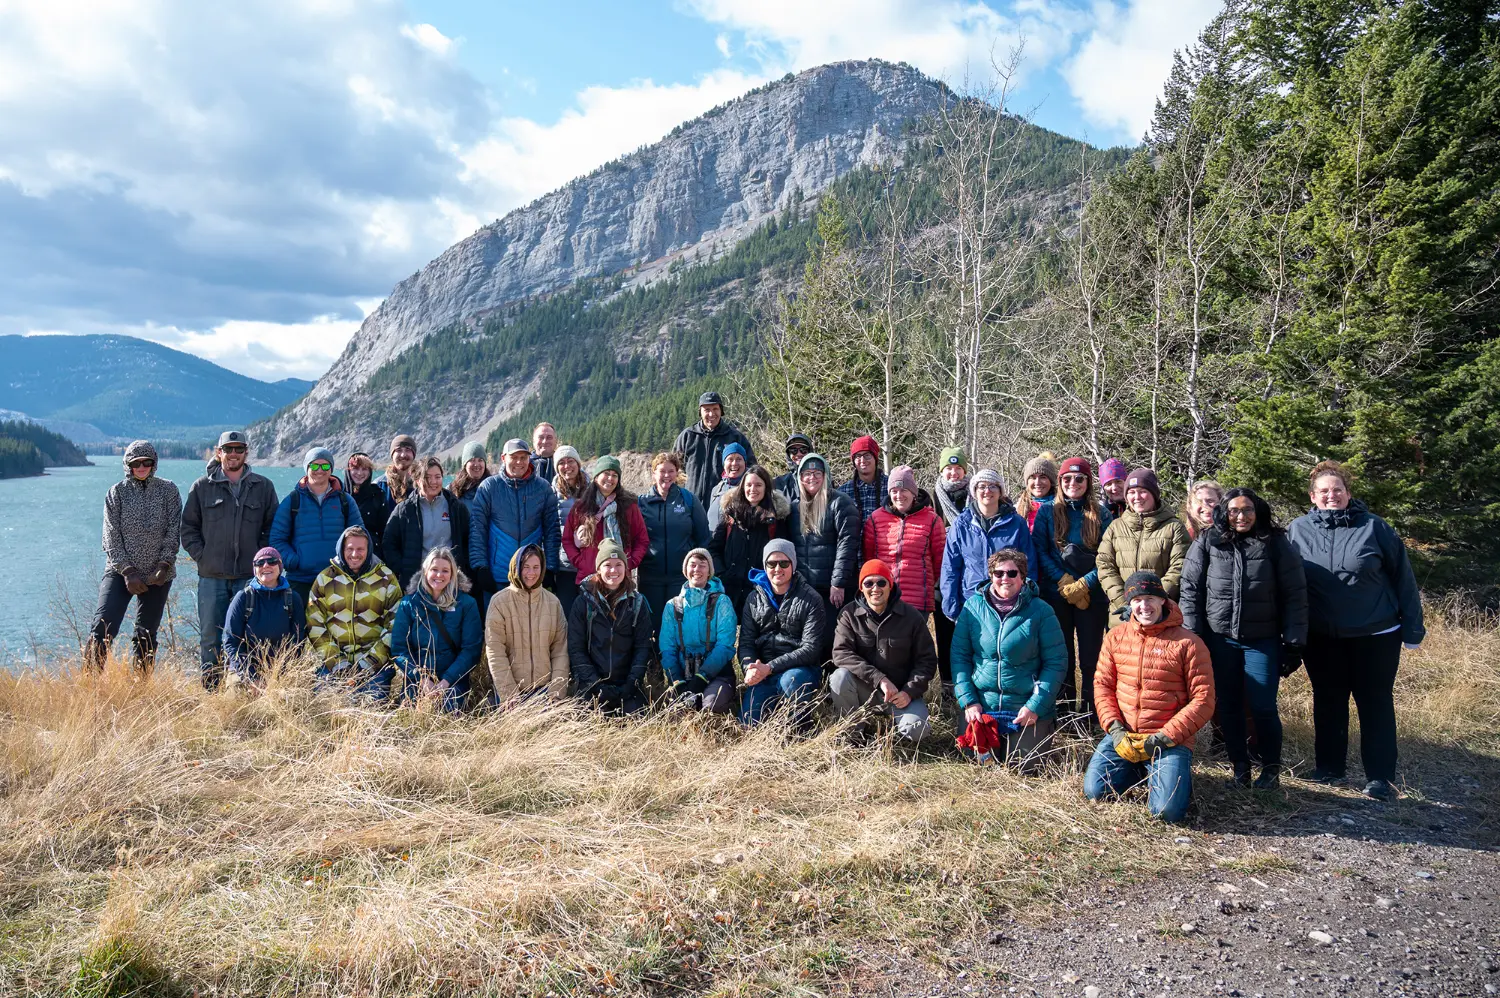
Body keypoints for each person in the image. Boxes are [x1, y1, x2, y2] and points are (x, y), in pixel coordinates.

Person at [1287, 461, 1425, 801]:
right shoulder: (1297, 531)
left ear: (1348, 493)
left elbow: (1403, 580)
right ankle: (1330, 769)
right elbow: (1286, 584)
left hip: (1375, 635)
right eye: (1324, 491)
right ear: (1312, 496)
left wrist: (1413, 628)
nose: (1331, 495)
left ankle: (1380, 777)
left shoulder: (1375, 528)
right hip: (1321, 637)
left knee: (1374, 703)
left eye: (1337, 490)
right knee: (1328, 701)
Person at [1181, 487, 1308, 788]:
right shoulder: (1208, 541)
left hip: (1262, 640)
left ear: (1257, 511)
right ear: (1224, 512)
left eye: (1247, 509)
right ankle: (1240, 767)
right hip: (1220, 639)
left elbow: (1295, 595)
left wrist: (1294, 643)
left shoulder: (1275, 543)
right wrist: (1195, 635)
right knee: (1228, 706)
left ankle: (1271, 769)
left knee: (1263, 705)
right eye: (1234, 510)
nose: (1241, 516)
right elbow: (1191, 589)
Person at [1084, 571, 1215, 824]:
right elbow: (1102, 686)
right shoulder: (1115, 637)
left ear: (1163, 600)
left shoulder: (1189, 643)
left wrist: (1164, 737)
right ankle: (1138, 768)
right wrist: (1115, 728)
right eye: (1137, 599)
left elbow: (1204, 700)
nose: (1144, 606)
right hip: (1125, 736)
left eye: (1151, 598)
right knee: (1095, 792)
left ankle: (1166, 773)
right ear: (1129, 603)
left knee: (1166, 812)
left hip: (1169, 740)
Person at [951, 549, 1067, 771]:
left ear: (1023, 576)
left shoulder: (1041, 611)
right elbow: (959, 657)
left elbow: (1056, 662)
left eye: (1012, 573)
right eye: (998, 573)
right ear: (991, 576)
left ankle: (1036, 732)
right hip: (983, 705)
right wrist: (969, 701)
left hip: (1024, 707)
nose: (1005, 578)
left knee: (1022, 767)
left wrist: (1035, 706)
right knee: (980, 764)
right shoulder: (972, 608)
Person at [180, 429, 278, 690]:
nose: (233, 454)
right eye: (228, 449)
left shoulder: (263, 487)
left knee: (249, 635)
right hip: (212, 577)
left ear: (246, 452)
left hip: (249, 578)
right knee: (210, 637)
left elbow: (272, 528)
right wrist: (203, 556)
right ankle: (212, 692)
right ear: (219, 452)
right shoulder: (201, 488)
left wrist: (261, 561)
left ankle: (246, 688)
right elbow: (188, 528)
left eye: (239, 449)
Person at [85, 441, 182, 674]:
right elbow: (110, 538)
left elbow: (173, 530)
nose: (141, 466)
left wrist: (164, 565)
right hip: (120, 573)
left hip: (158, 573)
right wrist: (127, 571)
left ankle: (141, 684)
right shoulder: (116, 493)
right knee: (103, 625)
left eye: (147, 462)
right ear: (127, 465)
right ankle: (89, 682)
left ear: (154, 463)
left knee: (146, 632)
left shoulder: (169, 490)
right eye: (135, 463)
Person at [1031, 456, 1113, 717]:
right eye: (1067, 478)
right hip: (1057, 594)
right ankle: (1065, 713)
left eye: (1079, 478)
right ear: (1060, 482)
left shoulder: (1102, 513)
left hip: (1093, 596)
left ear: (1088, 482)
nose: (1073, 483)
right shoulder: (1047, 512)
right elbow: (1040, 550)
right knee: (1062, 657)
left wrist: (1085, 583)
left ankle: (1091, 712)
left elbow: (1108, 555)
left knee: (1091, 658)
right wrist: (1063, 580)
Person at [830, 559, 938, 744]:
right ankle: (853, 734)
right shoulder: (849, 614)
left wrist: (909, 691)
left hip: (901, 694)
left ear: (890, 585)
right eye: (868, 583)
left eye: (881, 582)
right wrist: (879, 679)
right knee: (839, 678)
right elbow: (841, 653)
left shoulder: (911, 616)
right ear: (861, 588)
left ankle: (891, 738)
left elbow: (927, 661)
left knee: (917, 730)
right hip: (864, 689)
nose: (875, 588)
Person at [306, 526, 402, 701]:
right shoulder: (325, 579)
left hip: (374, 665)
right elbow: (315, 624)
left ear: (369, 549)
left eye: (360, 549)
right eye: (349, 549)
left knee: (370, 706)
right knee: (326, 707)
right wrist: (337, 662)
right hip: (334, 663)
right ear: (342, 549)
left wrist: (370, 662)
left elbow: (395, 625)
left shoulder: (386, 578)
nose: (354, 554)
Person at [738, 539, 826, 730]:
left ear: (793, 565)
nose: (777, 568)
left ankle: (802, 729)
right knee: (747, 723)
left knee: (790, 681)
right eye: (771, 563)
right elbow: (746, 643)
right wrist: (749, 668)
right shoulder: (753, 599)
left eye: (784, 563)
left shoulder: (811, 599)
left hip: (801, 669)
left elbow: (811, 649)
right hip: (764, 672)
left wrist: (770, 667)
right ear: (765, 566)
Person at [469, 438, 562, 611]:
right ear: (504, 458)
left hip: (532, 575)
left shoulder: (543, 488)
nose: (519, 462)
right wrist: (480, 566)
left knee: (530, 630)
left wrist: (549, 567)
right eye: (514, 457)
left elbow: (552, 531)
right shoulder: (489, 487)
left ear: (529, 459)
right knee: (497, 630)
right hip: (497, 575)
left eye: (523, 457)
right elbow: (477, 530)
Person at [390, 546, 482, 712]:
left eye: (445, 571)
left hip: (453, 680)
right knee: (411, 716)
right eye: (434, 569)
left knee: (450, 711)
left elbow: (471, 650)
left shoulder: (467, 604)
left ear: (453, 574)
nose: (439, 575)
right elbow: (399, 649)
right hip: (417, 680)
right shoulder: (409, 604)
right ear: (425, 571)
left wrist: (446, 681)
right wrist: (423, 679)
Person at [567, 539, 653, 716]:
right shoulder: (583, 602)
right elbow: (576, 649)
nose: (613, 570)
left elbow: (642, 647)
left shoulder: (637, 603)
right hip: (592, 686)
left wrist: (631, 684)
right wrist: (596, 686)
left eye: (619, 564)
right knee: (589, 724)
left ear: (626, 568)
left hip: (627, 685)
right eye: (608, 565)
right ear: (598, 568)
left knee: (637, 722)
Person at [1097, 468, 1191, 628]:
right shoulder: (1116, 527)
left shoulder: (1174, 527)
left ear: (1154, 494)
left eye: (1142, 491)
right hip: (1122, 617)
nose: (1137, 497)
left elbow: (1179, 567)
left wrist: (1152, 602)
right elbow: (1105, 565)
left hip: (1160, 615)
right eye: (1132, 492)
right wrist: (1126, 602)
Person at [939, 469, 1036, 623]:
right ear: (974, 491)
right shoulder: (961, 524)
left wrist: (1028, 598)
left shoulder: (1016, 524)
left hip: (1010, 603)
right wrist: (951, 607)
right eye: (982, 486)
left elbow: (1029, 564)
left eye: (993, 486)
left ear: (1000, 491)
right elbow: (950, 567)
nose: (987, 491)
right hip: (971, 603)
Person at [788, 453, 861, 654]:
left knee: (833, 637)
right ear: (800, 477)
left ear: (825, 475)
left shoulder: (841, 503)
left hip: (832, 589)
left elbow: (848, 545)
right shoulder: (794, 508)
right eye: (807, 473)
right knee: (809, 637)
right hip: (805, 588)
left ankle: (834, 682)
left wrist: (838, 583)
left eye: (817, 473)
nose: (812, 477)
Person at [270, 447, 364, 601]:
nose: (320, 470)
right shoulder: (292, 501)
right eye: (314, 465)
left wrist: (348, 563)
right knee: (300, 625)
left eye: (325, 466)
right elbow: (276, 539)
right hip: (301, 580)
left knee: (336, 625)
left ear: (331, 469)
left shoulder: (345, 501)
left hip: (338, 578)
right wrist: (295, 561)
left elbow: (360, 537)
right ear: (307, 468)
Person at [485, 543, 569, 708]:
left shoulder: (553, 602)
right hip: (512, 694)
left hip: (545, 692)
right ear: (516, 568)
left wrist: (556, 693)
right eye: (526, 567)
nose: (531, 573)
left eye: (536, 567)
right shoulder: (499, 602)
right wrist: (510, 696)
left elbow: (560, 650)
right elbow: (495, 651)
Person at [638, 451, 711, 637]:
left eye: (671, 471)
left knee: (680, 627)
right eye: (662, 471)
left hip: (681, 578)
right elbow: (634, 538)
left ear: (677, 473)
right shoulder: (641, 503)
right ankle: (654, 665)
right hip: (650, 578)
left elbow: (703, 537)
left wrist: (698, 570)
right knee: (651, 627)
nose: (667, 476)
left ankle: (679, 666)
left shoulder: (688, 500)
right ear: (654, 472)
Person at [659, 548, 739, 715]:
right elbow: (667, 649)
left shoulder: (722, 602)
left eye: (702, 565)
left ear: (710, 570)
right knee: (677, 714)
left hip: (717, 675)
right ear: (685, 569)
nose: (697, 570)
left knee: (709, 709)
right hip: (682, 676)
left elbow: (725, 646)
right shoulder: (672, 606)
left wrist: (701, 678)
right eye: (692, 565)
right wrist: (677, 682)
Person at [862, 465, 945, 617]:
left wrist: (928, 586)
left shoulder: (932, 520)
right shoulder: (875, 519)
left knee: (913, 641)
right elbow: (869, 560)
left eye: (903, 490)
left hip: (918, 601)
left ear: (913, 493)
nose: (899, 495)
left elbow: (939, 561)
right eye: (894, 491)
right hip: (883, 598)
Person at [710, 464, 791, 615]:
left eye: (758, 485)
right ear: (742, 487)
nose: (753, 489)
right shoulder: (730, 515)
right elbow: (713, 549)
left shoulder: (776, 519)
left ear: (766, 487)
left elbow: (784, 555)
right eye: (749, 485)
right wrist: (723, 573)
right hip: (730, 590)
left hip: (762, 591)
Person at [383, 456, 473, 590]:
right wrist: (403, 569)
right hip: (417, 581)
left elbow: (468, 541)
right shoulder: (405, 510)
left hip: (449, 580)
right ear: (417, 480)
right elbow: (388, 543)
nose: (433, 482)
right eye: (427, 477)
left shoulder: (456, 507)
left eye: (438, 477)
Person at [222, 547, 306, 687]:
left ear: (280, 567)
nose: (266, 566)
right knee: (237, 694)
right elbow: (230, 641)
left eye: (272, 561)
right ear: (255, 569)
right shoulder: (243, 598)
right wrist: (251, 676)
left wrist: (280, 675)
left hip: (281, 670)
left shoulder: (292, 599)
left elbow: (298, 642)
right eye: (260, 563)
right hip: (244, 668)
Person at [563, 455, 648, 583]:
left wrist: (630, 562)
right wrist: (582, 563)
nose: (610, 478)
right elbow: (567, 540)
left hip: (620, 578)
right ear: (596, 477)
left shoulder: (629, 506)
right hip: (590, 577)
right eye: (606, 473)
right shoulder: (581, 507)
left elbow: (642, 539)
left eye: (615, 475)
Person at [673, 390, 757, 507]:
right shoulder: (687, 437)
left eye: (715, 409)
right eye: (707, 410)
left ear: (721, 411)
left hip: (724, 507)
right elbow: (674, 469)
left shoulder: (735, 437)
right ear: (700, 412)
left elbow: (752, 470)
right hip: (689, 506)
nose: (711, 414)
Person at [931, 446, 969, 698]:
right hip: (939, 579)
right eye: (948, 469)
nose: (953, 474)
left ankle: (969, 685)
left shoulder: (975, 496)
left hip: (969, 577)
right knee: (944, 636)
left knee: (968, 636)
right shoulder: (931, 498)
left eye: (957, 469)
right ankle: (947, 687)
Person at [550, 445, 586, 616]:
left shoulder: (593, 489)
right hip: (564, 564)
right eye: (561, 463)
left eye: (570, 461)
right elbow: (550, 528)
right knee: (567, 615)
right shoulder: (551, 492)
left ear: (578, 463)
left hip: (589, 564)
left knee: (589, 616)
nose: (566, 466)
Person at [342, 453, 390, 558]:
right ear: (348, 470)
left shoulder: (377, 495)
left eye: (364, 469)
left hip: (372, 553)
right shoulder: (339, 495)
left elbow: (384, 532)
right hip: (344, 552)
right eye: (355, 468)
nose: (360, 473)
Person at [837, 435, 888, 524]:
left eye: (867, 455)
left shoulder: (890, 487)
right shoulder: (843, 492)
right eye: (858, 456)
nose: (863, 460)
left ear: (875, 458)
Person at [706, 442, 748, 533]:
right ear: (724, 463)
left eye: (739, 459)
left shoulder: (750, 489)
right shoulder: (717, 490)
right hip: (713, 544)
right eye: (730, 459)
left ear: (745, 462)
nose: (734, 463)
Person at [1016, 453, 1057, 531]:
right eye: (1033, 478)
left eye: (1043, 477)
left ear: (1051, 481)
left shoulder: (1062, 506)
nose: (1037, 482)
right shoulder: (1017, 509)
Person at [379, 433, 419, 513]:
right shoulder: (379, 486)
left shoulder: (422, 484)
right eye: (398, 450)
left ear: (413, 454)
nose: (403, 455)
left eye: (408, 450)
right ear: (392, 455)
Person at [450, 442, 491, 509]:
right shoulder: (452, 490)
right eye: (472, 460)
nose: (476, 464)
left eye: (480, 460)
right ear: (465, 464)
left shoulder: (493, 487)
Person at [774, 432, 814, 497]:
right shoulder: (779, 483)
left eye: (803, 450)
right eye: (793, 450)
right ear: (789, 454)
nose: (799, 454)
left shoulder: (821, 479)